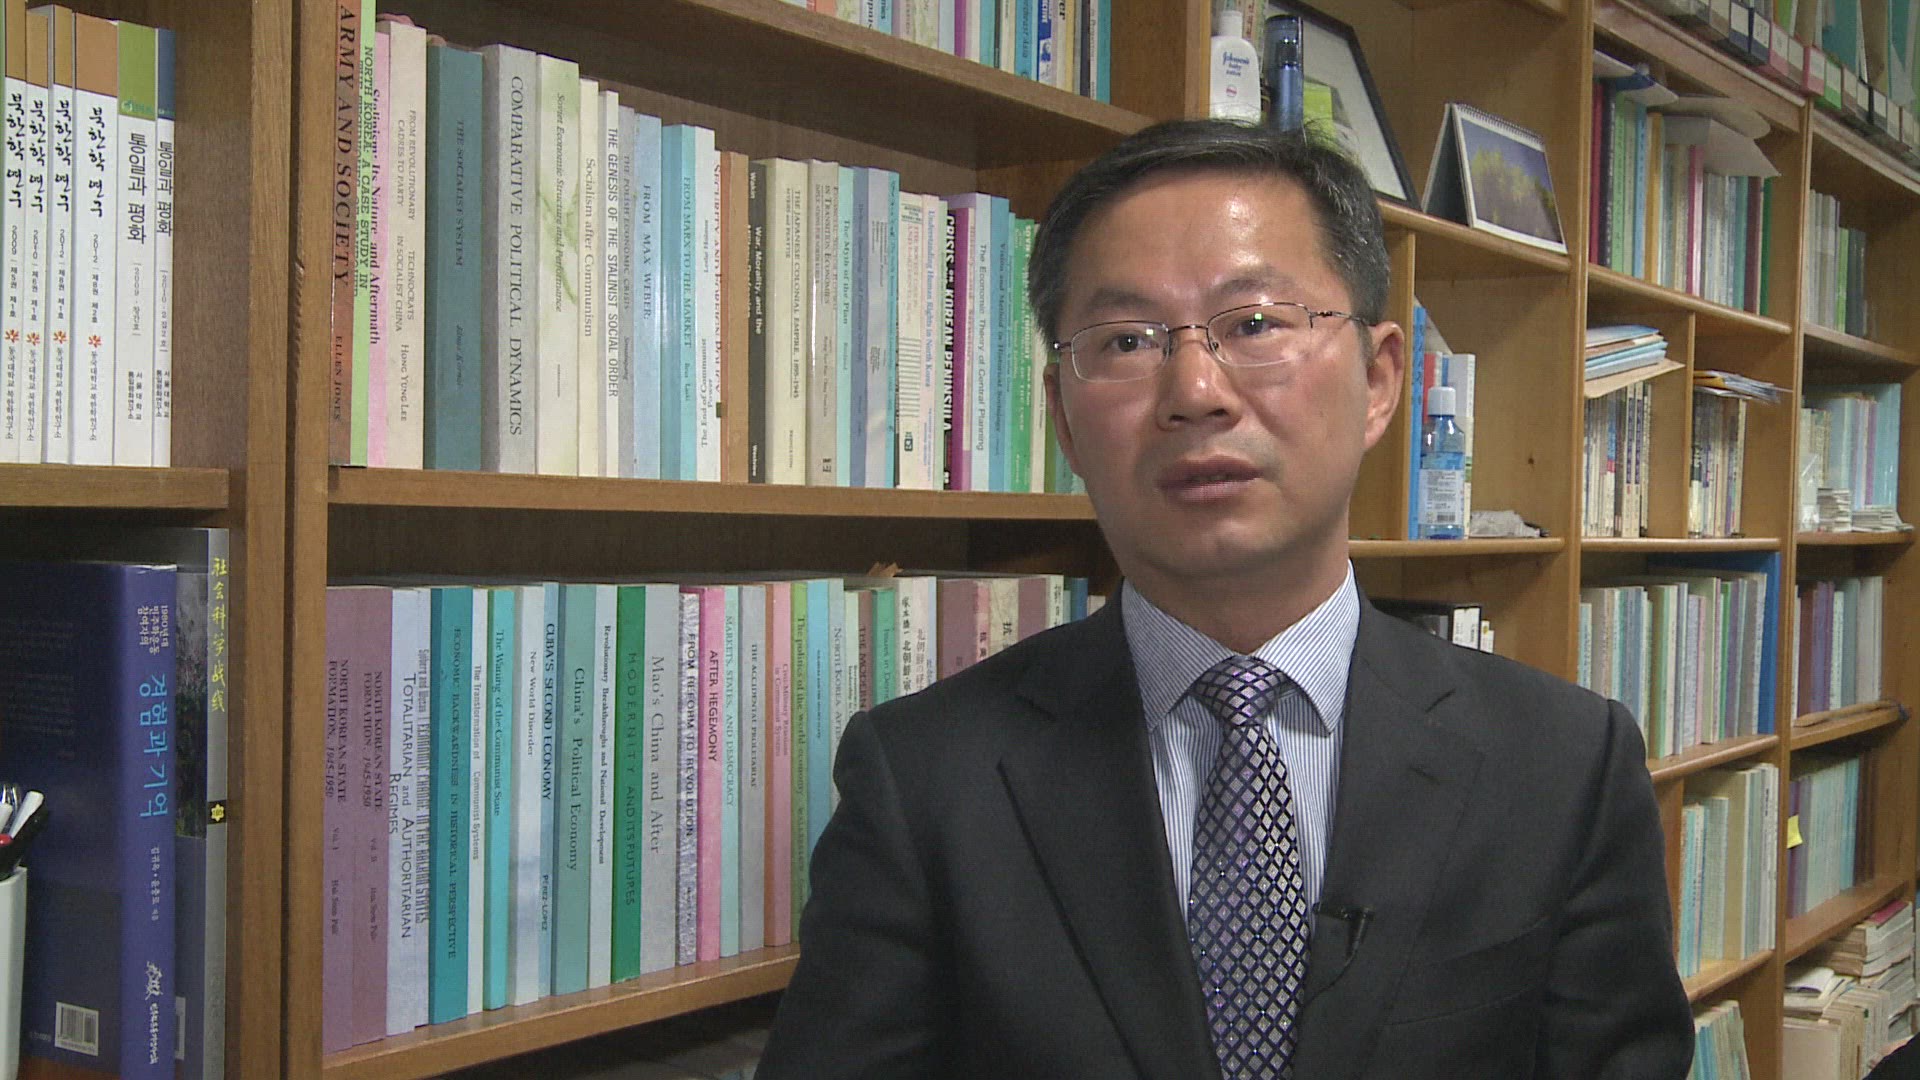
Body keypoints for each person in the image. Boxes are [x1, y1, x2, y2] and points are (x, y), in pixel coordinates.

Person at [756, 119, 1693, 1079]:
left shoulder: (1565, 767)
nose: (1195, 391)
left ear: (1379, 382)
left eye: (1254, 325)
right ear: (1065, 422)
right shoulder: (922, 779)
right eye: (1127, 340)